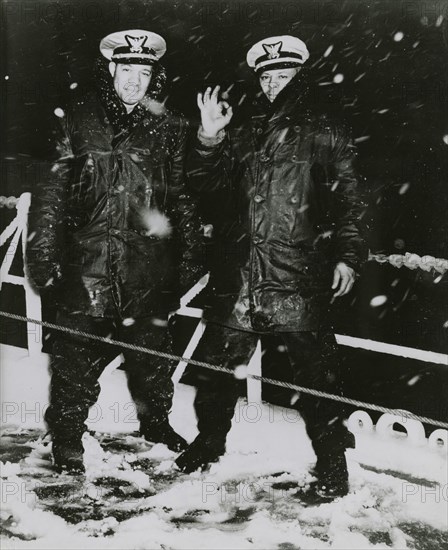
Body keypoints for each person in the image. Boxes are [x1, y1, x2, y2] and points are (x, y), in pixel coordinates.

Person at [176, 35, 367, 500]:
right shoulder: (241, 130)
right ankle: (209, 442)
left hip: (297, 273)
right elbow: (206, 186)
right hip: (240, 275)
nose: (274, 83)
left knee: (315, 376)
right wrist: (208, 136)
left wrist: (348, 256)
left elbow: (351, 201)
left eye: (283, 75)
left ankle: (333, 466)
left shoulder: (326, 129)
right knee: (218, 370)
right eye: (267, 76)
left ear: (300, 78)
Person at [27, 30, 202, 474]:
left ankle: (156, 425)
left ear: (152, 77)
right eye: (127, 70)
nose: (134, 82)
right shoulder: (77, 119)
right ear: (112, 70)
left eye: (144, 73)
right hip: (87, 263)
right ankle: (67, 439)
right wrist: (42, 254)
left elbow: (179, 196)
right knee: (74, 363)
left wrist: (188, 256)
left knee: (153, 357)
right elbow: (52, 192)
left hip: (148, 267)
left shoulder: (170, 126)